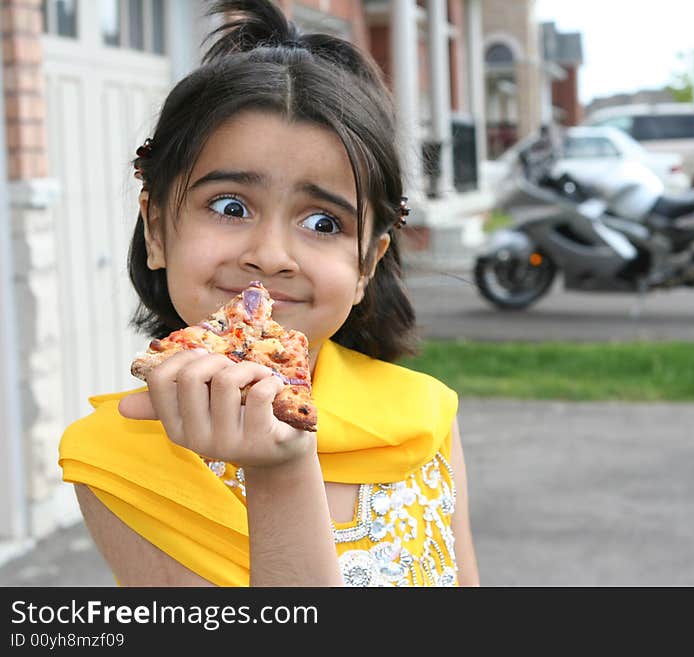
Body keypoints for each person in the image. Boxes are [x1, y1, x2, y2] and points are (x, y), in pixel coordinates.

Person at [58, 0, 479, 588]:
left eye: (324, 223)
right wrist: (279, 473)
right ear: (156, 228)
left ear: (367, 265)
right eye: (230, 206)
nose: (271, 254)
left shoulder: (420, 415)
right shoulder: (117, 456)